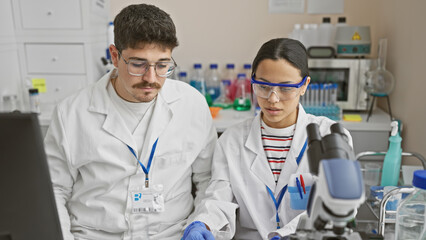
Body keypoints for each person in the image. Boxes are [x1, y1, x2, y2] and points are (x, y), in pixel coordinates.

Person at [44, 4, 217, 240]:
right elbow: (54, 189)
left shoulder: (191, 104)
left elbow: (209, 179)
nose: (151, 78)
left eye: (163, 65)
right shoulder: (72, 113)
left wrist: (203, 222)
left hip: (171, 235)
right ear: (115, 56)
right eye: (138, 64)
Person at [182, 38, 353, 240]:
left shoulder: (330, 136)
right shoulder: (232, 140)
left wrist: (289, 235)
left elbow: (338, 206)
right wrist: (203, 224)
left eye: (286, 88)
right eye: (263, 86)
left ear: (304, 85)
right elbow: (218, 199)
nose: (273, 98)